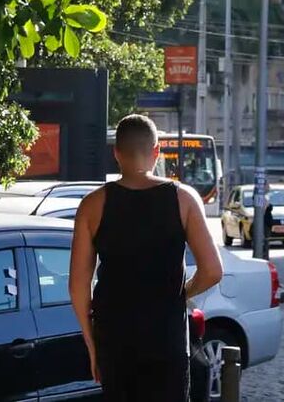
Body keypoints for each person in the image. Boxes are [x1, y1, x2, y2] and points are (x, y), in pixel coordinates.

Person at [71, 115, 222, 402]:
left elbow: (78, 285)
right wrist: (182, 292)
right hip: (167, 342)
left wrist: (91, 344)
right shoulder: (184, 199)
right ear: (157, 152)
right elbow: (212, 270)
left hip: (115, 342)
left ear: (116, 153)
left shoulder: (92, 205)